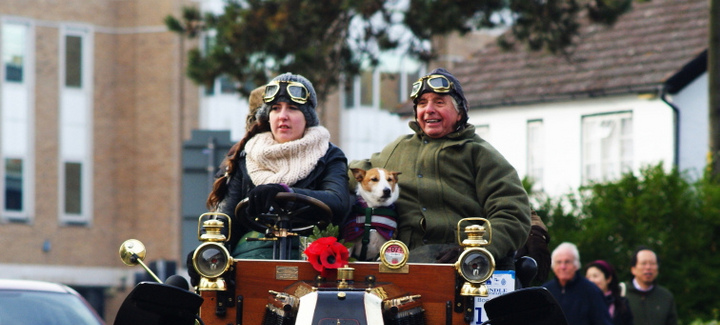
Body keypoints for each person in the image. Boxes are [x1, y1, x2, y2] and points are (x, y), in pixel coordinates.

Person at [348, 68, 537, 271]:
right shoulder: (396, 149)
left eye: (439, 102)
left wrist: (476, 250)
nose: (428, 109)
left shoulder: (481, 154)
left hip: (463, 268)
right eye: (422, 103)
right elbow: (353, 174)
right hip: (402, 265)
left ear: (460, 113)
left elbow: (511, 214)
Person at [207, 73, 351, 258]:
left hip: (309, 260)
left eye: (292, 108)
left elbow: (338, 202)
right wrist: (212, 251)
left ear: (307, 117)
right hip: (252, 257)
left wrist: (284, 192)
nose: (283, 116)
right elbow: (228, 219)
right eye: (275, 108)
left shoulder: (330, 155)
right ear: (268, 116)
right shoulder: (246, 156)